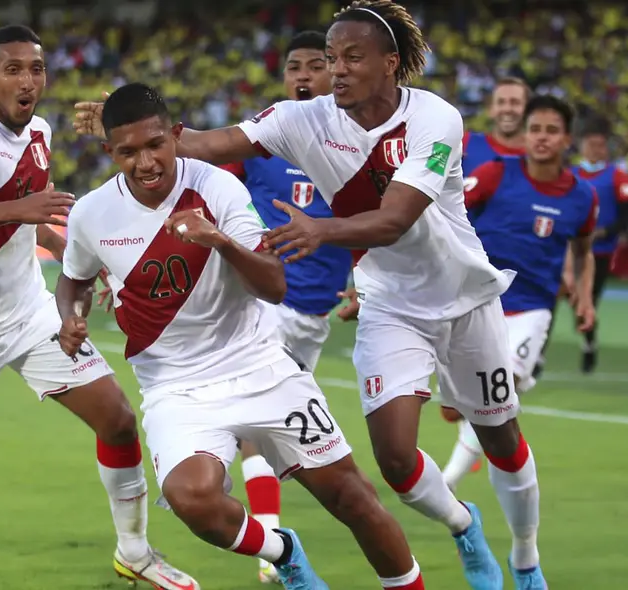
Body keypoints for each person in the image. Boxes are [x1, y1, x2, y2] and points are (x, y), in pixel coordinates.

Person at [74, 3, 547, 588]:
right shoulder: (301, 119)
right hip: (392, 304)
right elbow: (208, 142)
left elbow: (395, 218)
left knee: (501, 438)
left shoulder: (435, 118)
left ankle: (526, 561)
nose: (337, 70)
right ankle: (462, 525)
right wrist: (133, 127)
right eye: (331, 59)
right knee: (395, 463)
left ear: (390, 63)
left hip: (468, 297)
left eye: (351, 58)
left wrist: (320, 229)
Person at [60, 82, 427, 590]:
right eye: (128, 152)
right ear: (109, 153)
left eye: (155, 145)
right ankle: (284, 551)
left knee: (352, 497)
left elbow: (274, 287)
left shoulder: (217, 187)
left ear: (175, 136)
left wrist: (219, 241)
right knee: (194, 502)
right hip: (176, 388)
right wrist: (70, 316)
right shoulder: (92, 214)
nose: (145, 162)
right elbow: (73, 281)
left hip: (260, 367)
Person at [0, 26, 196, 590]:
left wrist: (79, 258)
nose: (28, 80)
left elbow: (38, 221)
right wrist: (21, 208)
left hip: (29, 313)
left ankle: (134, 551)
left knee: (116, 418)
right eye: (13, 69)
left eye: (36, 69)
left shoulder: (39, 131)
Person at [218, 29, 354, 585]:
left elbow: (381, 222)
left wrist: (365, 281)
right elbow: (200, 185)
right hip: (261, 305)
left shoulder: (355, 145)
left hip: (314, 316)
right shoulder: (258, 143)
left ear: (333, 74)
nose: (303, 76)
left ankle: (214, 473)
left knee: (277, 441)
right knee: (255, 425)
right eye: (293, 66)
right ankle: (270, 546)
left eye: (314, 66)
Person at [441, 95, 598, 491]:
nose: (542, 138)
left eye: (551, 131)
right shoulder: (495, 173)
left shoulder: (582, 197)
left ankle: (448, 482)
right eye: (535, 130)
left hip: (532, 308)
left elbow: (583, 252)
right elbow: (449, 209)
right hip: (475, 303)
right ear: (525, 135)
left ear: (567, 139)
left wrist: (584, 297)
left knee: (500, 386)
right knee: (458, 408)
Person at [570, 117, 628, 372]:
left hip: (600, 251)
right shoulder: (570, 175)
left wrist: (605, 231)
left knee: (588, 300)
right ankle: (538, 354)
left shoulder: (617, 177)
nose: (596, 150)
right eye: (591, 145)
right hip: (569, 249)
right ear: (582, 146)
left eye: (600, 145)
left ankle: (589, 344)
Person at [462, 77, 529, 175]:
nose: (507, 109)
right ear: (490, 109)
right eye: (501, 102)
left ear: (529, 110)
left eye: (515, 102)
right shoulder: (464, 142)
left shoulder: (538, 156)